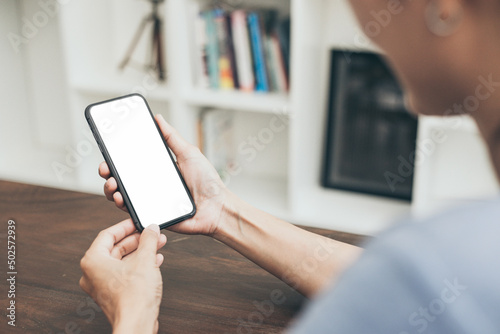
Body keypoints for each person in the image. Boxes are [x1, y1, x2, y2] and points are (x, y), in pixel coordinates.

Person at [79, 0, 500, 332]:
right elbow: (390, 286)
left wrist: (133, 314)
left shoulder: (431, 262)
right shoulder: (438, 265)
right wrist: (221, 211)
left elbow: (410, 282)